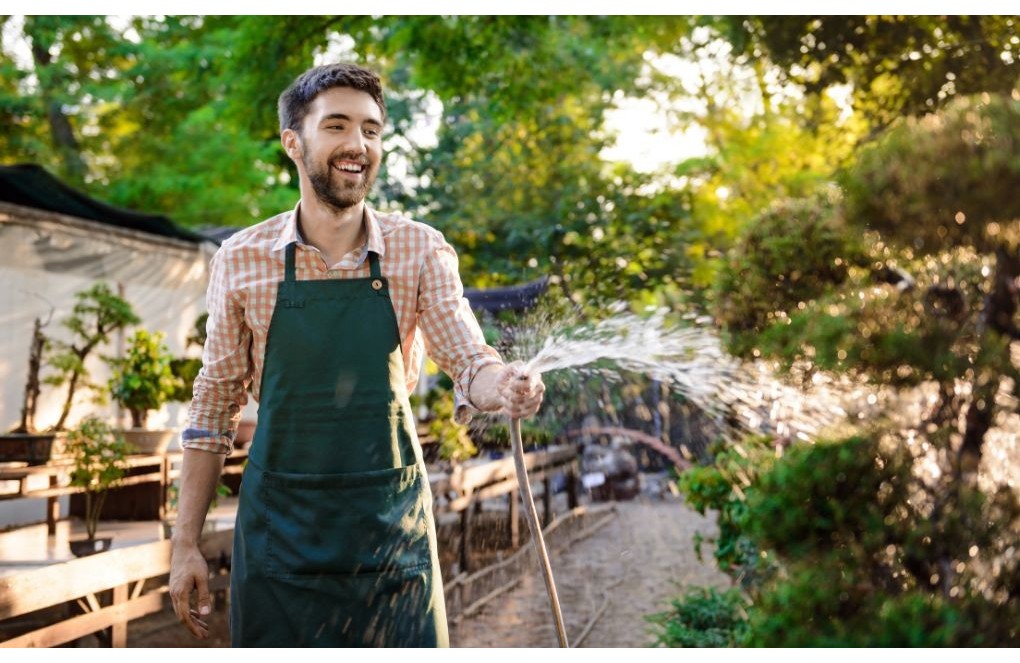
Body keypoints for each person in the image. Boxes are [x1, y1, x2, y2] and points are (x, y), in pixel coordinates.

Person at [168, 62, 545, 647]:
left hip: (390, 536)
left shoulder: (419, 249)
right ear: (294, 142)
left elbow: (470, 358)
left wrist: (505, 386)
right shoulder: (242, 260)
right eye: (337, 126)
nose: (357, 145)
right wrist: (185, 543)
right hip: (279, 541)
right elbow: (213, 408)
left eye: (370, 130)